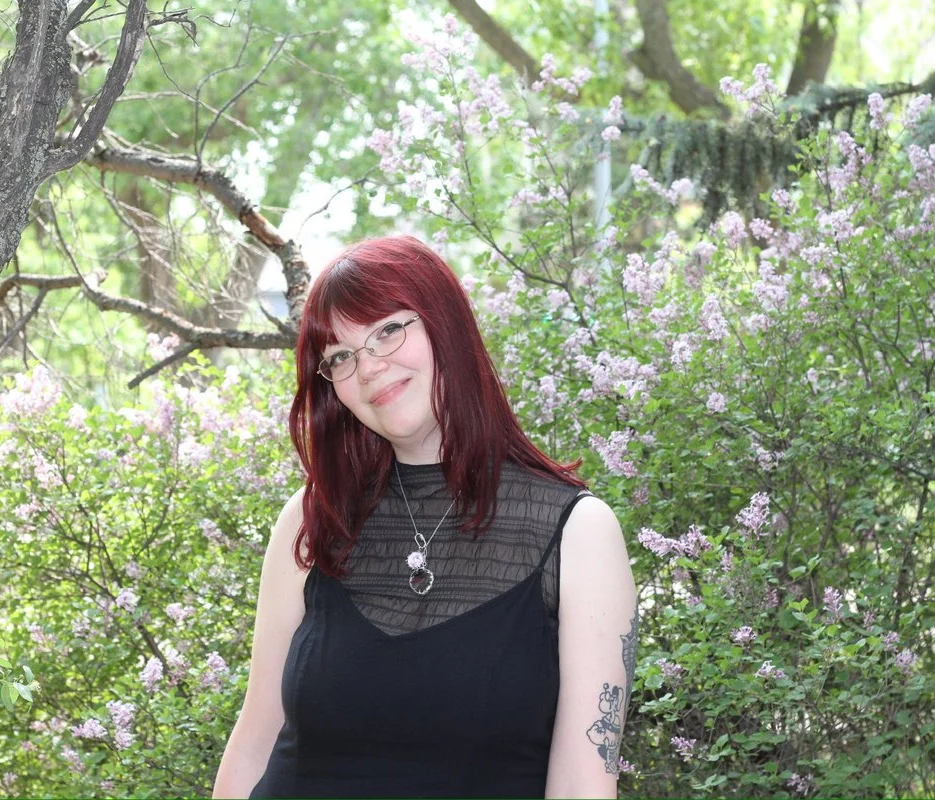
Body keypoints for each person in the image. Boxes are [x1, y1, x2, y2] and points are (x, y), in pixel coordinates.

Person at [212, 236, 637, 798]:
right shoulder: (312, 519)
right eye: (340, 356)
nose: (368, 367)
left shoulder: (579, 535)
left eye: (388, 330)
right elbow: (253, 743)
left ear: (446, 325)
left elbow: (584, 787)